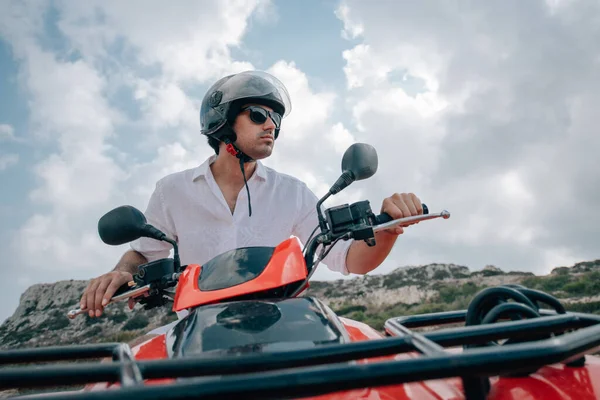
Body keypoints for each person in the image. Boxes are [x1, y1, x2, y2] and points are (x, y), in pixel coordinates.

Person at [80, 70, 424, 318]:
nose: (271, 125)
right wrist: (122, 271)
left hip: (278, 323)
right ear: (223, 122)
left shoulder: (292, 192)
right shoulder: (173, 191)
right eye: (258, 115)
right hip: (199, 331)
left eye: (275, 118)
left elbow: (348, 259)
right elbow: (143, 253)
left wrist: (388, 229)